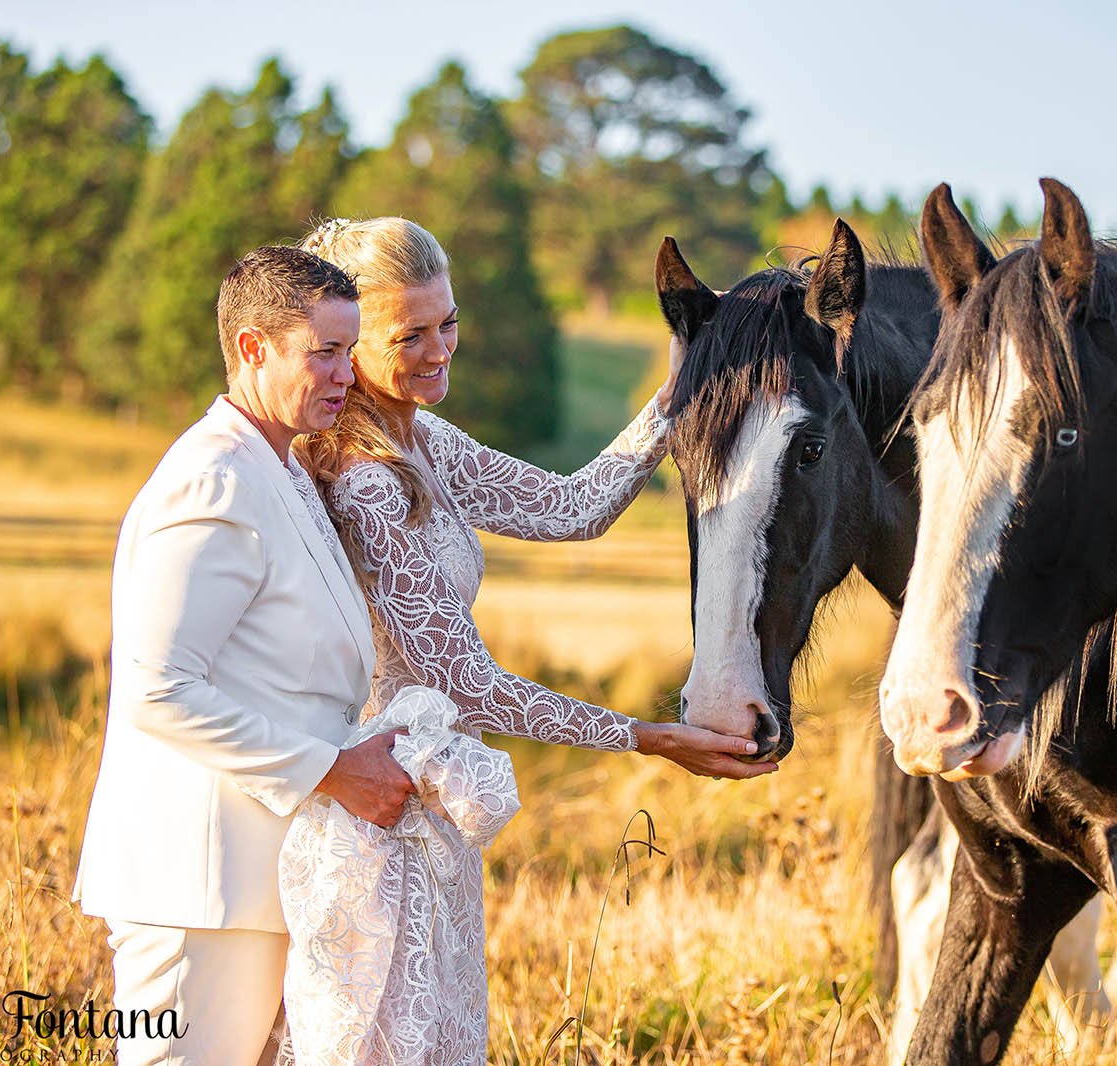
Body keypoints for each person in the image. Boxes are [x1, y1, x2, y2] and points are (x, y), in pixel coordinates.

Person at [275, 216, 775, 1065]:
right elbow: (467, 684)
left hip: (434, 810)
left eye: (449, 323)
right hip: (378, 818)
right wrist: (650, 737)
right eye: (410, 335)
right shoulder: (363, 480)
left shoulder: (418, 438)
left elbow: (569, 507)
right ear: (352, 341)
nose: (440, 351)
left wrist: (676, 395)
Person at [74, 246, 418, 1066]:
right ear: (253, 349)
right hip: (195, 888)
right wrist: (332, 769)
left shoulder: (287, 471)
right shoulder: (212, 481)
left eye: (352, 348)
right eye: (325, 352)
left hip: (260, 882)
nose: (347, 373)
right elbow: (157, 691)